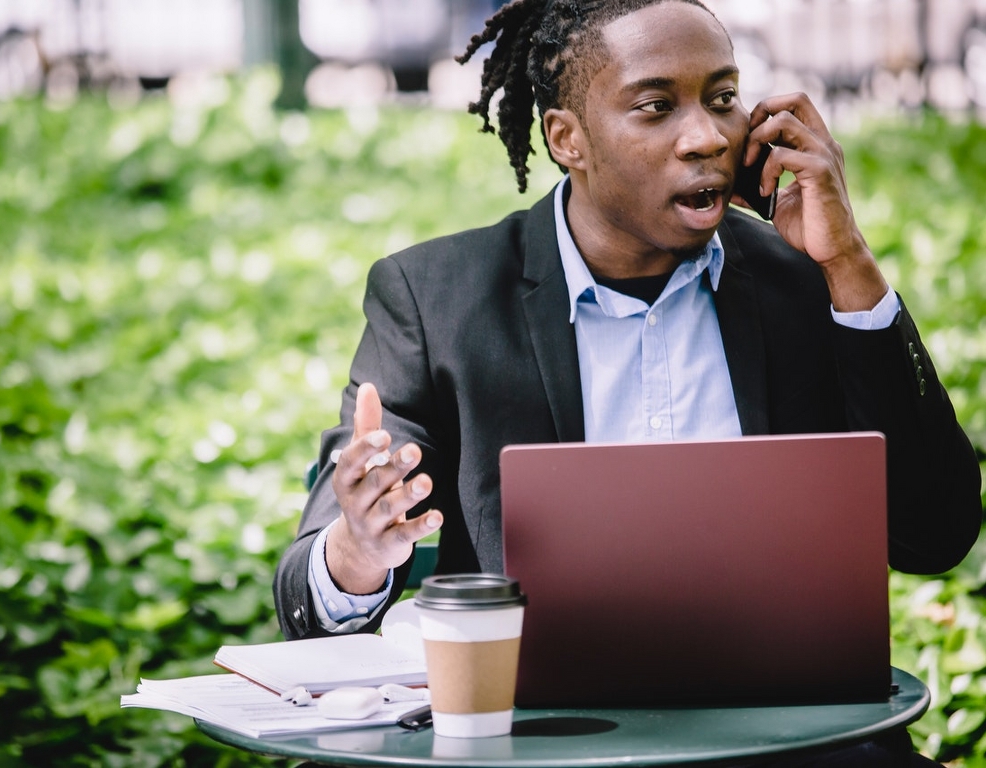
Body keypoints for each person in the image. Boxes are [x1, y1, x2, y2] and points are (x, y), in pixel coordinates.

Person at [275, 0, 982, 763]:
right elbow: (308, 605)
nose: (708, 136)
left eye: (721, 99)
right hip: (547, 748)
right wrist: (357, 545)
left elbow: (936, 535)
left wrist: (850, 268)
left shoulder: (804, 278)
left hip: (792, 743)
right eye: (656, 107)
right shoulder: (437, 298)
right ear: (567, 139)